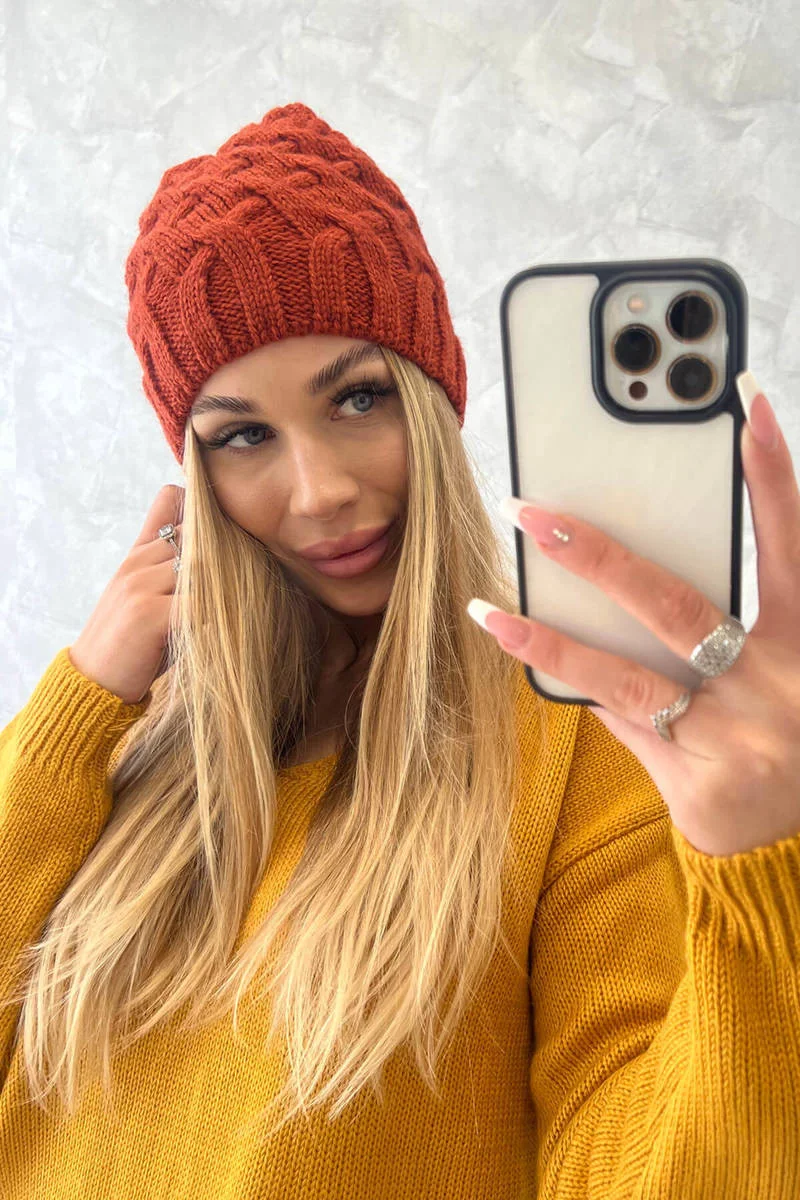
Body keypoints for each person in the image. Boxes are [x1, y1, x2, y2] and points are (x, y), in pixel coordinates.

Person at [1, 102, 798, 1199]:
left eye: (359, 398)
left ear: (432, 401)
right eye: (243, 434)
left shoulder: (576, 745)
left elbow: (638, 1172)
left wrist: (757, 871)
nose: (319, 490)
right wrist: (78, 708)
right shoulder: (128, 741)